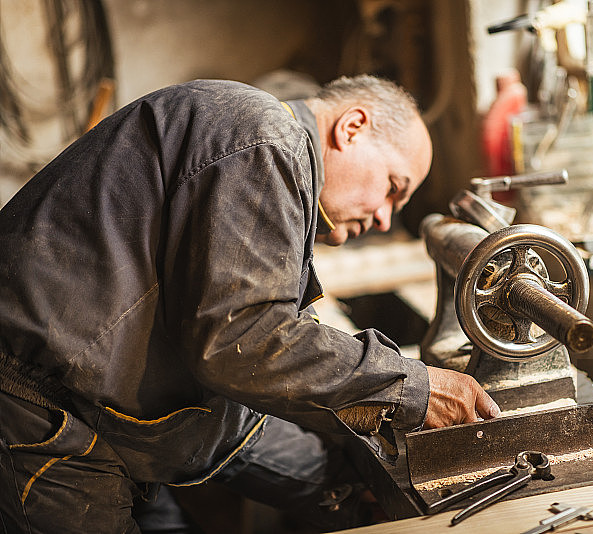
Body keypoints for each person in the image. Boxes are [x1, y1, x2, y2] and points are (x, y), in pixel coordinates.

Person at [0, 75, 500, 533]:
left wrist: (344, 490)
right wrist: (412, 386)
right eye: (393, 188)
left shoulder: (265, 153)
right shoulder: (266, 138)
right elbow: (247, 341)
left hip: (98, 419)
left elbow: (234, 392)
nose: (386, 219)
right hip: (42, 417)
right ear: (352, 128)